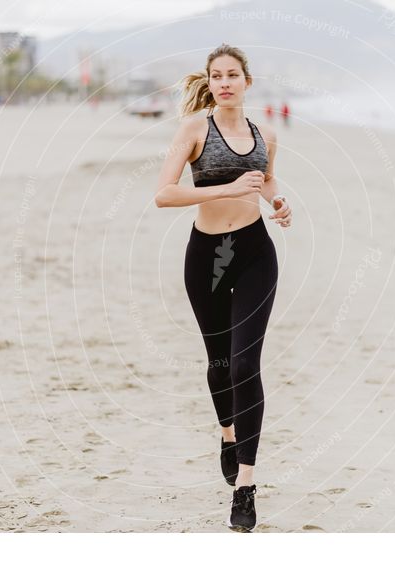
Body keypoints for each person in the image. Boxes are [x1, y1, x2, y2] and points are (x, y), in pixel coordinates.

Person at [155, 43, 292, 532]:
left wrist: (278, 202)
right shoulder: (194, 130)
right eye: (217, 76)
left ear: (247, 82)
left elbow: (267, 179)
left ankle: (246, 488)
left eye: (233, 74)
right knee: (218, 365)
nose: (225, 82)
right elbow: (164, 194)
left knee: (244, 363)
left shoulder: (265, 133)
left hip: (255, 252)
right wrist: (228, 188)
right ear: (209, 82)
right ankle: (227, 432)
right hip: (208, 258)